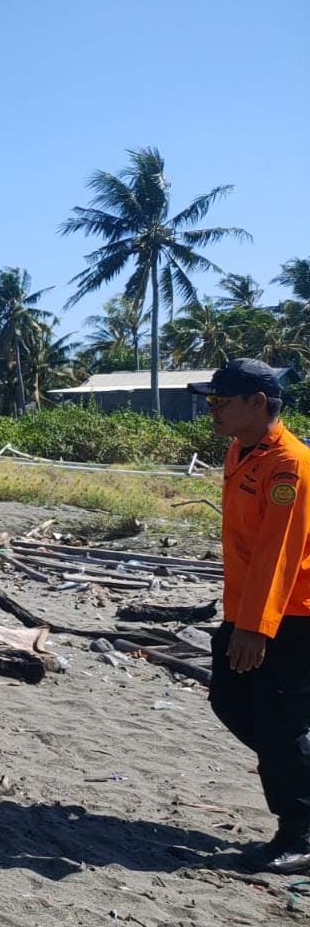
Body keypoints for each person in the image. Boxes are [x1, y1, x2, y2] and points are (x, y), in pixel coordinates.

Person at [190, 358, 310, 874]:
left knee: (280, 725)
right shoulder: (241, 450)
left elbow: (277, 553)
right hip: (244, 608)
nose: (211, 410)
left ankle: (300, 833)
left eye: (221, 401)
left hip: (288, 616)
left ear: (257, 403)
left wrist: (256, 629)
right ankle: (299, 774)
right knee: (232, 702)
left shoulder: (289, 464)